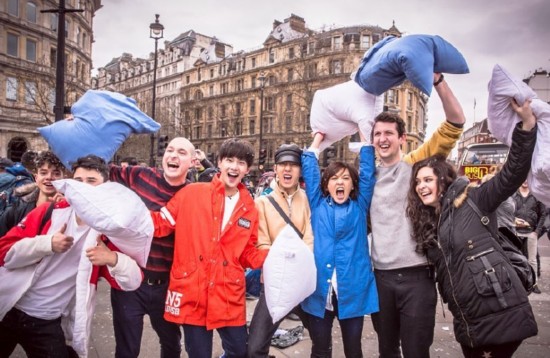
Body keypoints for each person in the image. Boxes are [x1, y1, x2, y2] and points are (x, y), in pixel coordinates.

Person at [406, 98, 538, 357]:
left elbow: (512, 173)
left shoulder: (474, 198)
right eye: (418, 182)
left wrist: (527, 125)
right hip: (467, 319)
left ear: (443, 180)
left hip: (499, 311)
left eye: (428, 180)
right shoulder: (428, 220)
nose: (421, 186)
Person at [0, 155, 143, 357]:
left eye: (91, 181)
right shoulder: (49, 211)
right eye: (78, 181)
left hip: (46, 322)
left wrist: (112, 259)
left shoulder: (108, 233)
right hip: (9, 308)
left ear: (105, 187)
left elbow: (133, 281)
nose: (83, 187)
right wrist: (46, 244)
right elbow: (4, 253)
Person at [369, 73, 466, 357]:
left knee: (416, 351)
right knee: (387, 351)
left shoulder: (416, 166)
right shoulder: (366, 178)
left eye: (389, 133)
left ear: (402, 138)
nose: (382, 139)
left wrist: (438, 81)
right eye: (377, 134)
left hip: (418, 278)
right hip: (381, 279)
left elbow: (455, 122)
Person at [150, 138, 268, 358]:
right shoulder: (191, 193)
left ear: (247, 169)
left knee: (239, 351)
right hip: (193, 290)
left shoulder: (249, 208)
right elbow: (158, 224)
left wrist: (272, 257)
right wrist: (119, 215)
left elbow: (246, 253)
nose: (234, 166)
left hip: (227, 293)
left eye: (241, 162)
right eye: (229, 160)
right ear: (220, 163)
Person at [108, 136, 195, 358]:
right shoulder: (140, 176)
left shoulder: (194, 196)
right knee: (127, 351)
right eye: (170, 150)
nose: (174, 155)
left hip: (167, 287)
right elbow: (102, 172)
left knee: (172, 346)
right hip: (130, 284)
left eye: (182, 153)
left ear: (193, 162)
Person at [300, 132, 377, 357]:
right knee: (321, 349)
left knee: (354, 350)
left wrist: (365, 138)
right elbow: (311, 171)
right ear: (327, 185)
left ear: (353, 185)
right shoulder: (317, 203)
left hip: (352, 290)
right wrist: (317, 139)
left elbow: (369, 174)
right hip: (320, 292)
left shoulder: (360, 206)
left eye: (345, 178)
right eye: (334, 178)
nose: (340, 182)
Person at [247, 143, 314, 358]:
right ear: (275, 169)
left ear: (300, 170)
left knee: (321, 340)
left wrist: (301, 266)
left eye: (293, 165)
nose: (287, 169)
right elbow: (263, 242)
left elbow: (310, 236)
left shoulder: (308, 199)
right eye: (283, 164)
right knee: (255, 347)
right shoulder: (262, 203)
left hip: (303, 283)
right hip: (276, 284)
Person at [0, 151, 65, 237]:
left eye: (56, 173)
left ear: (64, 178)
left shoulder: (71, 210)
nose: (49, 177)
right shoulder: (17, 208)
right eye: (43, 173)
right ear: (36, 177)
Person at [513, 180, 546, 293]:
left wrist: (537, 231)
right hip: (515, 232)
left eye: (528, 179)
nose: (525, 181)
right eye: (523, 178)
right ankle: (517, 283)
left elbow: (543, 214)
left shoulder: (536, 195)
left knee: (532, 260)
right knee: (515, 258)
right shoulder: (513, 194)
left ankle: (534, 283)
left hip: (531, 232)